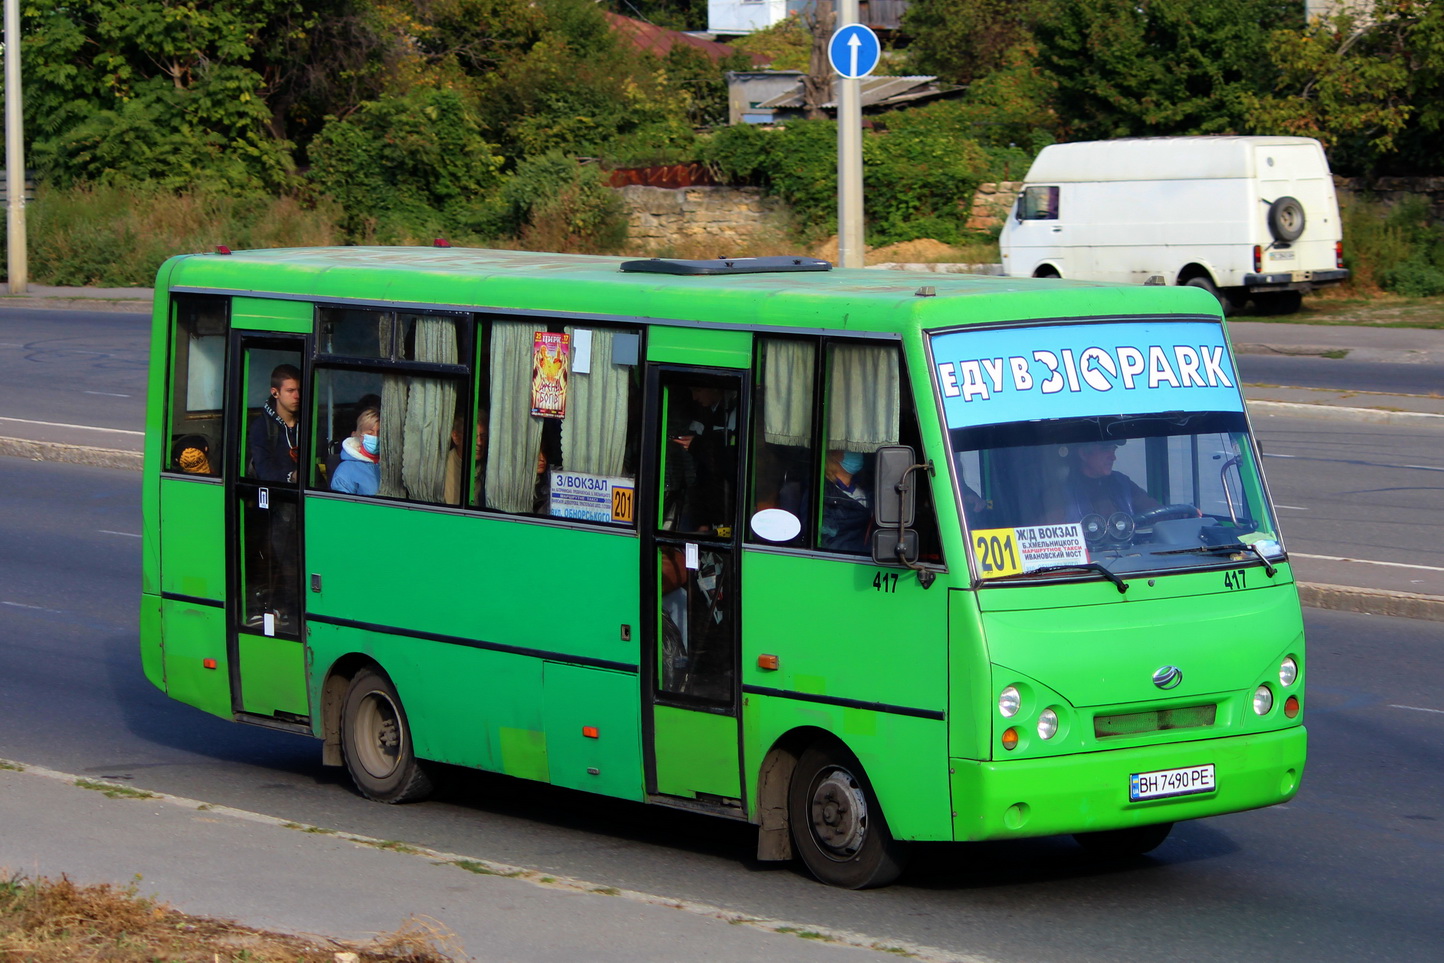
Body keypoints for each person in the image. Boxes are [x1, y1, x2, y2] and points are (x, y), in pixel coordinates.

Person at [1047, 441, 1161, 523]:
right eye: (1105, 449)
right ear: (1084, 454)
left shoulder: (1121, 482)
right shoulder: (1060, 493)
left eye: (1114, 449)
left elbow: (1156, 513)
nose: (1113, 457)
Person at [248, 363, 302, 483]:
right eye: (290, 391)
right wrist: (292, 477)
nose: (297, 396)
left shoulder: (309, 422)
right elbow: (264, 471)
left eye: (300, 390)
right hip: (276, 497)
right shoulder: (262, 427)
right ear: (275, 393)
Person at [820, 449, 871, 552]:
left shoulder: (864, 489)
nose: (857, 452)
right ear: (834, 455)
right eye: (849, 448)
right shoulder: (822, 491)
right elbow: (828, 534)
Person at [331, 407, 381, 495]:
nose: (375, 437)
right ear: (357, 435)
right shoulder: (345, 470)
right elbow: (342, 506)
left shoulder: (394, 465)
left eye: (380, 433)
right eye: (369, 433)